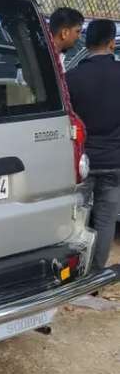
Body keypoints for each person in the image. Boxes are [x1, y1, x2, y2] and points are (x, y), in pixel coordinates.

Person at [67, 19, 120, 272]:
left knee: (76, 218)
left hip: (81, 163)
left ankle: (74, 273)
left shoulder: (71, 78)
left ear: (86, 43)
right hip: (114, 162)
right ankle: (96, 272)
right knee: (106, 219)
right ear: (111, 43)